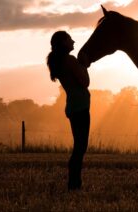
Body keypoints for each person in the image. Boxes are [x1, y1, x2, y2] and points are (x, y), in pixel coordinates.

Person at [46, 31, 90, 190]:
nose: (73, 41)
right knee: (81, 146)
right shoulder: (70, 61)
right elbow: (85, 82)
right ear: (64, 42)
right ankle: (74, 182)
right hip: (81, 107)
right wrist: (84, 65)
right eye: (70, 39)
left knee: (79, 145)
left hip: (72, 106)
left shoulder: (60, 62)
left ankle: (74, 182)